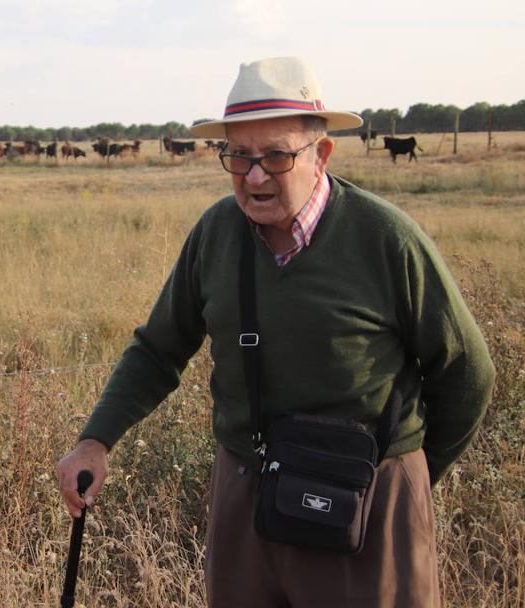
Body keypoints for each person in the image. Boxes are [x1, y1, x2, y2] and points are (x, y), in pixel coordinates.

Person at [56, 56, 495, 607]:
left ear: (322, 154)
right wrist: (94, 442)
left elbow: (468, 374)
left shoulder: (386, 240)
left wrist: (405, 483)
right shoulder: (216, 233)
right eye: (238, 157)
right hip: (247, 496)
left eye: (276, 156)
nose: (255, 175)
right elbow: (158, 349)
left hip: (367, 500)